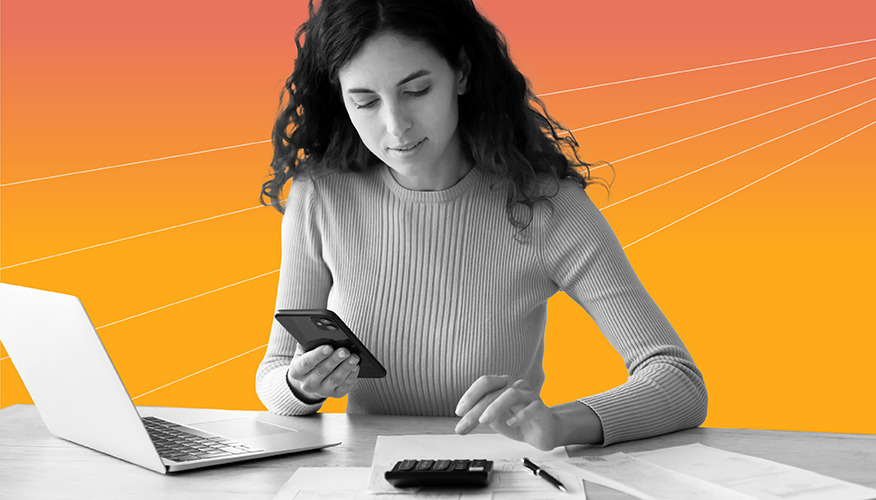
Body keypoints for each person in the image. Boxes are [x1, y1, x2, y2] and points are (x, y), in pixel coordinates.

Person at [255, 0, 707, 451]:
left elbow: (679, 381)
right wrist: (303, 386)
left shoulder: (546, 207)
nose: (396, 126)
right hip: (367, 479)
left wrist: (561, 424)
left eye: (416, 91)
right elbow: (274, 376)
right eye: (366, 101)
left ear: (463, 73)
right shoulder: (321, 197)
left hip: (499, 478)